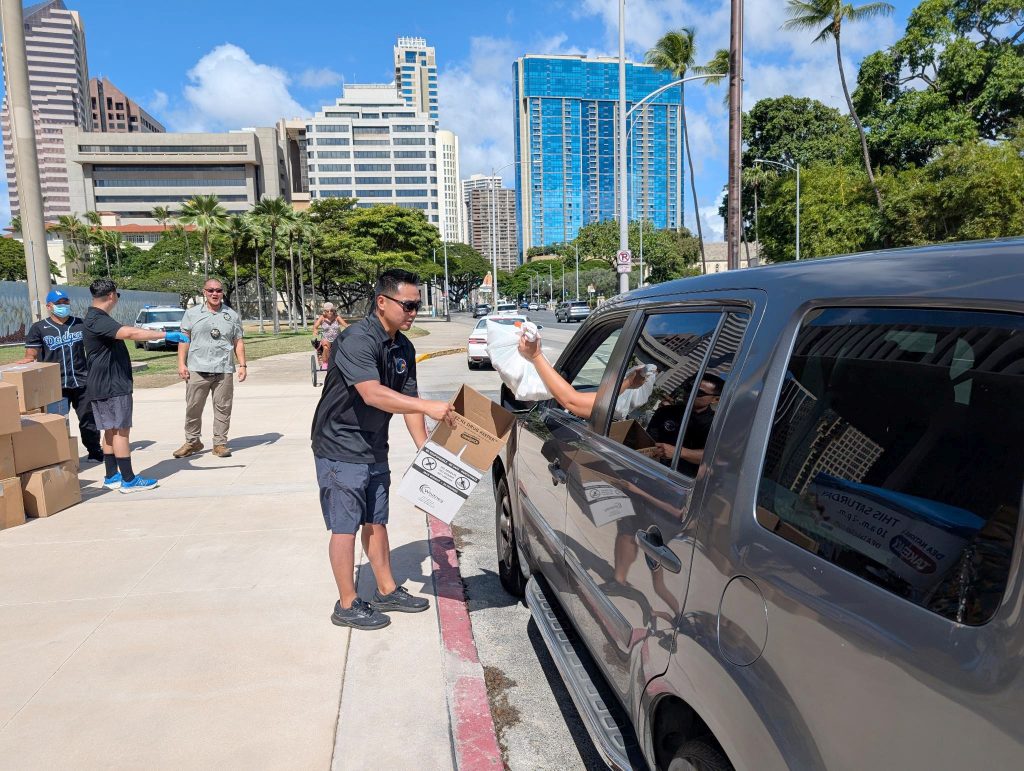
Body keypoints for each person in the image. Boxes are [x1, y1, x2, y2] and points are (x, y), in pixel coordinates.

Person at [311, 269, 454, 631]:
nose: (413, 312)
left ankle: (386, 589)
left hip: (374, 443)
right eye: (408, 305)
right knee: (345, 525)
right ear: (382, 302)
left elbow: (407, 400)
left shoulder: (403, 346)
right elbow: (372, 393)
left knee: (377, 517)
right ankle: (347, 603)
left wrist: (426, 452)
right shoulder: (357, 339)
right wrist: (428, 408)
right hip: (339, 443)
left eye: (417, 305)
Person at [83, 279, 190, 493]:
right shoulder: (99, 319)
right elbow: (132, 333)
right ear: (112, 295)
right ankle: (129, 480)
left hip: (101, 384)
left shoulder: (93, 317)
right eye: (118, 295)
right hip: (112, 384)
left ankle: (112, 475)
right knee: (121, 431)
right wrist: (166, 334)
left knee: (111, 430)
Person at [15, 288, 103, 462]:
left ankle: (94, 450)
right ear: (49, 306)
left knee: (88, 419)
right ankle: (62, 454)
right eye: (58, 303)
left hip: (81, 381)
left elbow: (95, 345)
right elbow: (31, 355)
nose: (63, 306)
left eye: (65, 302)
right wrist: (26, 363)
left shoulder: (80, 323)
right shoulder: (39, 328)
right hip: (55, 385)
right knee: (58, 422)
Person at [172, 278, 246, 459]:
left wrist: (242, 364)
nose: (215, 294)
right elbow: (184, 339)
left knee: (223, 408)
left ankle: (220, 444)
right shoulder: (192, 314)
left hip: (223, 369)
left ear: (222, 293)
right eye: (211, 290)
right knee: (193, 408)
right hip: (198, 368)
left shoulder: (232, 315)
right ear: (204, 292)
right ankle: (192, 442)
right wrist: (181, 363)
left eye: (219, 290)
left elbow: (238, 341)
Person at [312, 302, 347, 370]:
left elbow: (345, 325)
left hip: (337, 338)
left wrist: (352, 327)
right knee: (325, 347)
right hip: (326, 338)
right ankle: (325, 362)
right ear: (324, 311)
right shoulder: (322, 318)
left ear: (334, 310)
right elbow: (315, 326)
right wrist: (315, 331)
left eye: (331, 310)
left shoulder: (337, 317)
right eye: (327, 311)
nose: (329, 312)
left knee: (344, 346)